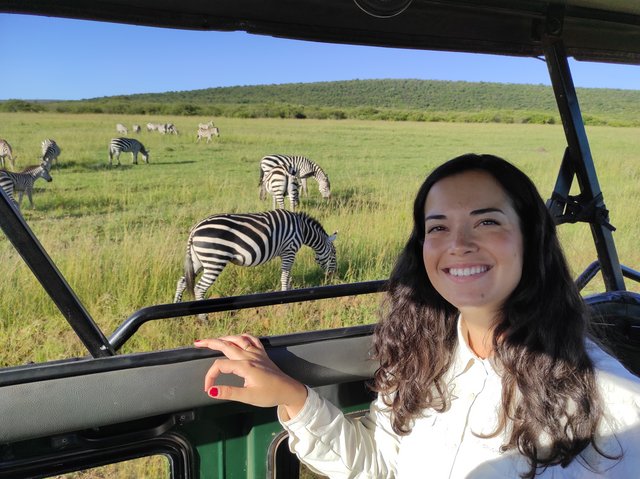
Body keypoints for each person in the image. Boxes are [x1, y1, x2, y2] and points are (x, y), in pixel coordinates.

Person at [195, 153, 640, 478]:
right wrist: (292, 397)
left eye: (487, 222)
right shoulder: (420, 359)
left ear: (531, 239)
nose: (458, 243)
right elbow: (380, 467)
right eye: (438, 227)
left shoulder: (616, 405)